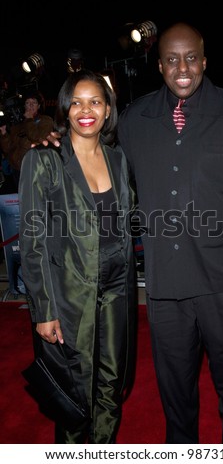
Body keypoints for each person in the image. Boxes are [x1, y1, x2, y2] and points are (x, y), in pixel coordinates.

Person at [38, 23, 223, 444]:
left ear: (204, 61)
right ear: (159, 64)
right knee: (176, 403)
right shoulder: (136, 119)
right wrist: (58, 140)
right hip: (167, 292)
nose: (182, 67)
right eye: (172, 59)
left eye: (191, 58)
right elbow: (94, 150)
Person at [19, 69, 137, 444]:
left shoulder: (118, 159)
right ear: (66, 108)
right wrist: (44, 309)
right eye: (78, 102)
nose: (86, 110)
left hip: (118, 286)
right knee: (74, 390)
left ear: (108, 110)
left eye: (96, 102)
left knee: (112, 380)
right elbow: (32, 240)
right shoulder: (44, 161)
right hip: (68, 292)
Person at [0, 90, 54, 189]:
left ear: (39, 106)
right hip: (17, 170)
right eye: (27, 103)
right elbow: (8, 148)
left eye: (34, 103)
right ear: (24, 106)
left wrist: (29, 120)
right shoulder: (18, 125)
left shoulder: (45, 120)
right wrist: (4, 134)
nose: (30, 106)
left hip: (35, 169)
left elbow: (36, 137)